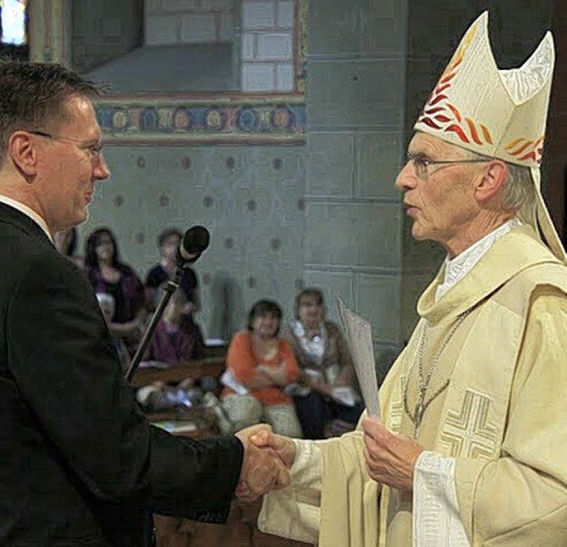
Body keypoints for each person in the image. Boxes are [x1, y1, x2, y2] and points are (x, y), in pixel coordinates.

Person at [0, 58, 289, 546]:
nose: (103, 170)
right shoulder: (40, 275)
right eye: (90, 150)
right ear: (26, 151)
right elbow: (116, 458)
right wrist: (234, 463)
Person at [254, 12, 567, 546]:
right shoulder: (450, 298)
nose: (403, 178)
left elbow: (554, 503)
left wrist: (425, 474)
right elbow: (380, 450)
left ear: (488, 179)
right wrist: (297, 460)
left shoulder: (541, 304)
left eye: (424, 162)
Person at [281, 287, 363, 439]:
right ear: (299, 310)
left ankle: (337, 438)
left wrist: (341, 382)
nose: (314, 309)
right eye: (308, 305)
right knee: (314, 407)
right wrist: (321, 387)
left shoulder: (332, 329)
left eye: (318, 305)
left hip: (335, 384)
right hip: (306, 387)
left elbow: (347, 362)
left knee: (357, 410)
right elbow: (293, 370)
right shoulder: (288, 334)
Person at [220, 300, 303, 438]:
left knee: (290, 435)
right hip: (243, 395)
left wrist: (262, 369)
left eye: (273, 318)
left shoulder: (283, 344)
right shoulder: (242, 339)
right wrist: (277, 374)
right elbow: (244, 376)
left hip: (276, 399)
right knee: (245, 420)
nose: (268, 322)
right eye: (263, 317)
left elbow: (291, 376)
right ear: (253, 320)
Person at [85, 227, 147, 352]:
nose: (106, 247)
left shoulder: (126, 272)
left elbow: (143, 301)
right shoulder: (89, 275)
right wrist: (120, 329)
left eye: (108, 242)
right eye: (100, 244)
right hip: (101, 338)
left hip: (132, 335)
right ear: (93, 248)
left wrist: (135, 324)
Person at [145, 228, 200, 316]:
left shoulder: (189, 273)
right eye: (170, 244)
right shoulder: (154, 273)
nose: (174, 248)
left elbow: (196, 303)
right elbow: (148, 304)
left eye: (178, 244)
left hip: (185, 323)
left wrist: (190, 307)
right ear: (162, 247)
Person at [143, 288, 206, 365]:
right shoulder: (151, 330)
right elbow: (145, 361)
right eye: (168, 304)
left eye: (177, 303)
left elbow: (200, 359)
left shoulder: (192, 330)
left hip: (188, 374)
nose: (173, 308)